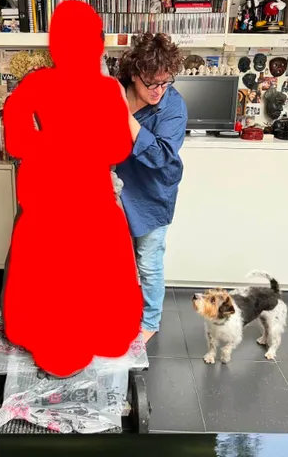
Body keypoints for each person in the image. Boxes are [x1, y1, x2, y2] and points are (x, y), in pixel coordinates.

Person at [114, 33, 187, 344]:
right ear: (134, 74)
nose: (159, 90)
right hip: (116, 188)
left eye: (165, 82)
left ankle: (150, 321)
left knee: (148, 261)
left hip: (152, 193)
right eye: (152, 83)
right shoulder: (113, 89)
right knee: (117, 259)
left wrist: (123, 114)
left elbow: (159, 155)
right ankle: (118, 312)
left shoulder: (173, 106)